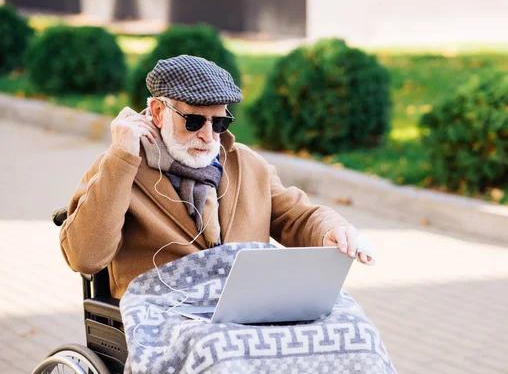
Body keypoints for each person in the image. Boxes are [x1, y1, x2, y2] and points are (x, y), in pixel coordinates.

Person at [59, 54, 372, 299]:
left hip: (245, 309)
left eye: (219, 123)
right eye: (194, 122)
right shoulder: (119, 166)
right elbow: (84, 257)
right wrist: (122, 158)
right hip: (164, 316)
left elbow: (297, 218)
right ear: (157, 112)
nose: (209, 136)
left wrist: (331, 229)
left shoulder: (248, 165)